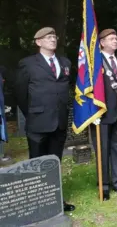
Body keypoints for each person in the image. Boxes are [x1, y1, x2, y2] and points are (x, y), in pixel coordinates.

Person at [15, 27, 75, 211]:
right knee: (36, 162)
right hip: (38, 121)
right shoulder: (28, 64)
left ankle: (56, 200)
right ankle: (37, 202)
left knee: (54, 162)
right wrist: (33, 113)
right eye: (48, 37)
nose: (52, 40)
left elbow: (66, 87)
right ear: (38, 42)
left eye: (54, 37)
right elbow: (20, 93)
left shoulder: (64, 62)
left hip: (60, 121)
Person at [90, 29, 117, 200]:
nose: (115, 41)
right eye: (111, 39)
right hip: (101, 113)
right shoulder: (94, 62)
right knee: (103, 150)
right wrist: (93, 111)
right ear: (102, 42)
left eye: (116, 38)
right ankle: (104, 185)